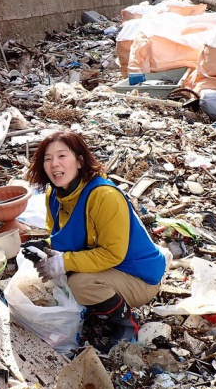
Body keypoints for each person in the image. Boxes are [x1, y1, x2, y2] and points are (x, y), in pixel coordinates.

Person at [23, 130, 166, 347]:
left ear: (80, 161)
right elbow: (62, 237)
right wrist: (44, 247)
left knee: (80, 283)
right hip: (110, 270)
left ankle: (126, 324)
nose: (54, 164)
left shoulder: (103, 196)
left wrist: (64, 262)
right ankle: (99, 309)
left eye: (62, 156)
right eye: (48, 159)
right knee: (60, 275)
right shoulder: (54, 194)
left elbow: (113, 253)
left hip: (139, 277)